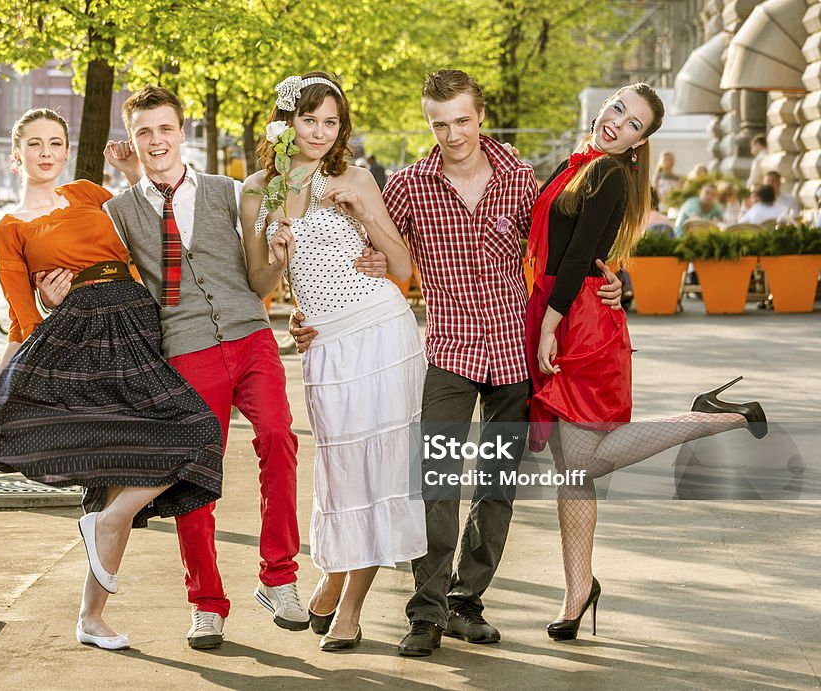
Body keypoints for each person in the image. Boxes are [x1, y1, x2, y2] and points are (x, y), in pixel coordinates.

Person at [292, 69, 623, 657]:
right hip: (445, 351)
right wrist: (315, 302)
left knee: (496, 488)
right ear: (429, 124)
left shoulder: (521, 180)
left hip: (512, 353)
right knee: (436, 485)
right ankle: (427, 612)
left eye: (462, 121)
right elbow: (368, 250)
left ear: (481, 116)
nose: (452, 134)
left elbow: (566, 250)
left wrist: (616, 286)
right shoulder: (409, 186)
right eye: (440, 124)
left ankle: (468, 603)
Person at [56, 85, 384, 650]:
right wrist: (50, 298)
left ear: (183, 132)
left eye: (165, 129)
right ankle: (206, 602)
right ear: (133, 140)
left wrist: (290, 276)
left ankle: (279, 577)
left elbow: (270, 269)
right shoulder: (118, 213)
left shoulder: (231, 193)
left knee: (280, 436)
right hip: (184, 348)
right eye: (144, 132)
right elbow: (97, 282)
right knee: (196, 473)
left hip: (250, 334)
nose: (157, 141)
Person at [0, 108, 224, 652]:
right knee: (110, 476)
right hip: (81, 337)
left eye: (55, 142)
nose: (46, 152)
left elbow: (147, 231)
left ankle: (111, 523)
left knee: (197, 430)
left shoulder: (86, 192)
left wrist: (132, 175)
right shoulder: (9, 227)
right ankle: (92, 617)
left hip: (136, 323)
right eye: (34, 144)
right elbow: (22, 319)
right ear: (18, 155)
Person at [525, 82, 768, 642]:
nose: (617, 123)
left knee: (580, 466)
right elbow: (559, 243)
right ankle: (578, 589)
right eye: (617, 109)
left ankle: (717, 417)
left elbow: (580, 253)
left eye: (633, 124)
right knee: (573, 470)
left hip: (577, 325)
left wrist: (549, 326)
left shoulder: (608, 173)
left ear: (639, 143)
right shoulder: (575, 163)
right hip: (567, 309)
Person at [241, 73, 427, 651]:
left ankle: (348, 606)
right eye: (309, 120)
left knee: (383, 470)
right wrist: (277, 256)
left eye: (331, 122)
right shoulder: (257, 190)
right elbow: (257, 282)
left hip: (384, 331)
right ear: (284, 123)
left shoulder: (356, 177)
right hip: (325, 342)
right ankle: (329, 582)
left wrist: (364, 216)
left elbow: (401, 267)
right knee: (343, 473)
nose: (322, 132)